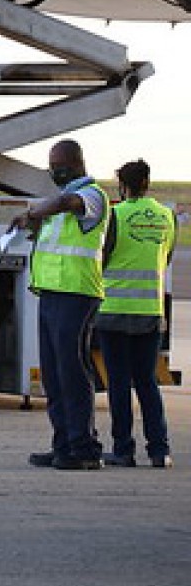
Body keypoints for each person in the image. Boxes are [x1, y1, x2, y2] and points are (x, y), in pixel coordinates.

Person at [8, 139, 109, 470]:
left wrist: (33, 212)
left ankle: (84, 448)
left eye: (59, 165)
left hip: (77, 294)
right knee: (54, 375)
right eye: (52, 165)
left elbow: (70, 202)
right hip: (52, 293)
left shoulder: (93, 195)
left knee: (73, 371)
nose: (55, 171)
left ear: (78, 163)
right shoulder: (57, 205)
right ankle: (63, 444)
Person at [98, 159, 175, 468]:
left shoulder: (115, 215)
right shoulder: (167, 217)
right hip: (150, 311)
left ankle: (123, 449)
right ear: (147, 182)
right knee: (147, 383)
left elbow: (101, 258)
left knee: (118, 383)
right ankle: (159, 450)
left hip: (114, 310)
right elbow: (165, 257)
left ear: (123, 185)